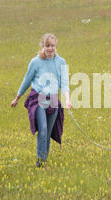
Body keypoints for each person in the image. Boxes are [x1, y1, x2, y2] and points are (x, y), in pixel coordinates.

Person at [11, 33, 71, 167]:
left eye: (52, 46)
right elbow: (26, 80)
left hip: (54, 99)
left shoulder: (61, 62)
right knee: (42, 129)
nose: (50, 48)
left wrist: (67, 99)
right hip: (39, 98)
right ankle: (40, 162)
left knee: (48, 133)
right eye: (47, 46)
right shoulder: (36, 62)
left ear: (56, 46)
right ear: (43, 46)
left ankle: (44, 160)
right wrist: (17, 98)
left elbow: (65, 82)